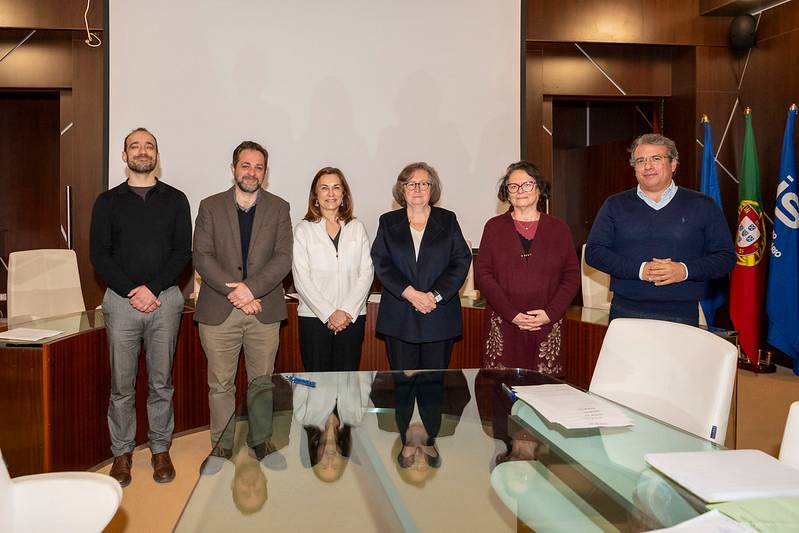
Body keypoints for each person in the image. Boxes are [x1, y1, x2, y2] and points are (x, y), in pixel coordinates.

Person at [90, 127, 192, 486]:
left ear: (157, 155)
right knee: (122, 384)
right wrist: (133, 290)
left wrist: (153, 289)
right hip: (120, 303)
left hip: (165, 301)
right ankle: (122, 453)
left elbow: (183, 252)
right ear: (124, 156)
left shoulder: (176, 199)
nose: (142, 151)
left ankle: (160, 448)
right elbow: (98, 255)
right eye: (135, 146)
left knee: (161, 382)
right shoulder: (107, 202)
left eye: (149, 146)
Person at [193, 140, 293, 456]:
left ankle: (259, 439)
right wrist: (237, 292)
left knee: (261, 383)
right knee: (220, 384)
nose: (252, 172)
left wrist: (251, 289)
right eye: (245, 165)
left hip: (263, 309)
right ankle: (221, 445)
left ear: (265, 173)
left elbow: (283, 257)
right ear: (234, 168)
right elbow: (202, 256)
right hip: (219, 309)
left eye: (258, 167)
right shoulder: (210, 206)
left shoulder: (280, 208)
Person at [585, 133, 735, 325]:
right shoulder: (614, 204)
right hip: (626, 312)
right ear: (635, 168)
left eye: (656, 159)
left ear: (673, 164)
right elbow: (594, 252)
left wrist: (684, 270)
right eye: (641, 161)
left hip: (682, 313)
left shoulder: (703, 205)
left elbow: (725, 257)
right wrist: (640, 270)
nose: (648, 166)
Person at [475, 161, 580, 375]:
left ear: (539, 188)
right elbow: (483, 274)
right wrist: (511, 314)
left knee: (545, 393)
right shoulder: (493, 227)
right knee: (502, 392)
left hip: (547, 324)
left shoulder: (559, 229)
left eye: (527, 185)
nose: (520, 191)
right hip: (504, 323)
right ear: (507, 193)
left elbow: (571, 276)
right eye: (513, 186)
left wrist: (550, 314)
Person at [371, 162, 471, 370]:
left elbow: (460, 260)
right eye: (411, 184)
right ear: (402, 189)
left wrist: (434, 296)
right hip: (400, 318)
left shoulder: (448, 219)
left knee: (433, 392)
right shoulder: (388, 222)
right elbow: (382, 262)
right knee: (402, 391)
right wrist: (410, 293)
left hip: (438, 316)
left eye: (423, 184)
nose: (417, 189)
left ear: (432, 189)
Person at [292, 167, 373, 372]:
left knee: (348, 385)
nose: (331, 193)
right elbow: (301, 278)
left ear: (343, 194)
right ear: (315, 196)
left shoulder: (357, 227)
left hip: (351, 318)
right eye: (324, 188)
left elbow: (366, 272)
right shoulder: (304, 230)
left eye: (336, 187)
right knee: (318, 389)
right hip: (314, 318)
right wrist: (329, 313)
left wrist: (345, 311)